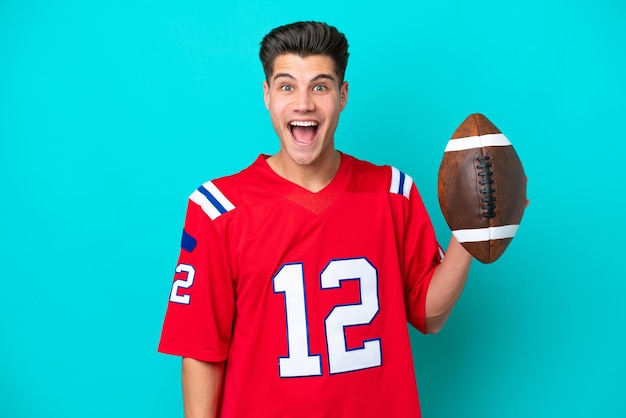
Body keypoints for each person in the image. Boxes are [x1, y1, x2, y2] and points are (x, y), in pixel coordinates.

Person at [158, 21, 473, 418]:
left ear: (342, 96)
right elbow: (201, 350)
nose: (303, 103)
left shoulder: (393, 192)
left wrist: (469, 236)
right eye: (287, 86)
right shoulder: (218, 209)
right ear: (267, 95)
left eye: (320, 87)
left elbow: (429, 315)